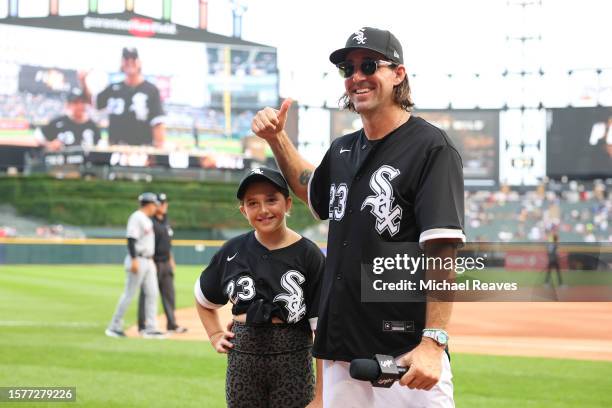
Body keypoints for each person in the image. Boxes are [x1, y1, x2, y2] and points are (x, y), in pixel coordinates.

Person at [252, 27, 465, 407]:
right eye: (348, 69)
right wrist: (277, 139)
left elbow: (442, 247)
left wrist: (434, 342)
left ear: (398, 74)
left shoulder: (432, 148)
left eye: (369, 64)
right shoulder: (343, 150)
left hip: (403, 351)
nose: (357, 76)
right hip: (341, 350)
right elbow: (310, 189)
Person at [194, 167, 324, 408]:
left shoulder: (309, 255)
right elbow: (203, 298)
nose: (263, 210)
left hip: (293, 359)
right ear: (244, 211)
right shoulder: (232, 251)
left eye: (271, 200)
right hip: (243, 360)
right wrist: (214, 334)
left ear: (287, 204)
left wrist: (320, 397)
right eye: (253, 203)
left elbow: (322, 332)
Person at [105, 192, 165, 339]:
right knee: (129, 294)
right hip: (138, 258)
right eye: (154, 205)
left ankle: (150, 328)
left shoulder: (146, 219)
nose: (156, 208)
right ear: (149, 204)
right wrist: (133, 259)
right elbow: (131, 239)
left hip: (148, 260)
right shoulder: (136, 217)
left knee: (152, 293)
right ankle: (114, 326)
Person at [84, 47, 165, 148]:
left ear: (139, 62)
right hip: (115, 148)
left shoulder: (151, 90)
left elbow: (158, 122)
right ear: (122, 63)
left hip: (141, 149)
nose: (130, 62)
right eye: (126, 59)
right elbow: (94, 103)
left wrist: (157, 153)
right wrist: (83, 81)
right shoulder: (113, 88)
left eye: (133, 59)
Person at [137, 193, 188, 334]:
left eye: (165, 203)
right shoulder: (149, 221)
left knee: (169, 294)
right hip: (154, 262)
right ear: (155, 205)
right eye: (161, 203)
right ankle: (142, 325)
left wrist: (171, 259)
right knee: (147, 294)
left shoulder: (165, 220)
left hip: (166, 262)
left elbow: (167, 242)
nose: (165, 205)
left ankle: (172, 324)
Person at [35, 88, 100, 151]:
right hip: (62, 160)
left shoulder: (92, 125)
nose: (80, 106)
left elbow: (98, 146)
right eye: (76, 103)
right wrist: (49, 145)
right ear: (69, 105)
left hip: (86, 160)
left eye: (82, 102)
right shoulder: (58, 123)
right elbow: (38, 137)